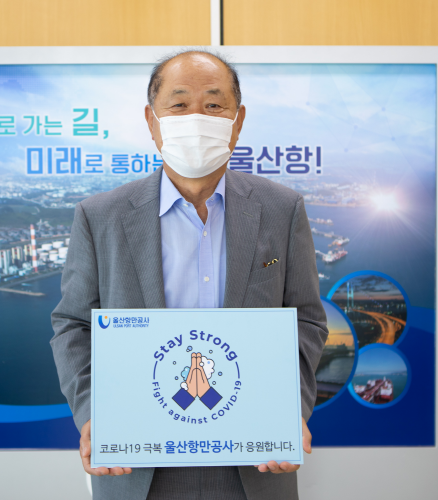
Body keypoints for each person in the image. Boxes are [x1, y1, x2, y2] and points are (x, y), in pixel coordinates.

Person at [51, 49, 328, 500]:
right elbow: (73, 324)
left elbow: (307, 321)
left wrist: (286, 408)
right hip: (140, 464)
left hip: (252, 460)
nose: (196, 119)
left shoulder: (282, 210)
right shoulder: (100, 216)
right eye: (179, 104)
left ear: (237, 121)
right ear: (152, 120)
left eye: (214, 105)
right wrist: (93, 413)